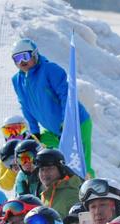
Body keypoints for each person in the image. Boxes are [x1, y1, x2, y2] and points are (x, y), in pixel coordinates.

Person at [10, 38, 93, 173]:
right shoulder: (17, 80)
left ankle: (90, 191)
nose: (21, 61)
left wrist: (66, 122)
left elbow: (66, 96)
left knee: (81, 166)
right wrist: (34, 131)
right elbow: (25, 105)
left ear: (35, 54)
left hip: (76, 124)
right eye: (17, 58)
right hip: (53, 130)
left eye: (25, 56)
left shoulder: (50, 70)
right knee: (42, 156)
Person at [33, 148, 81, 216]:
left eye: (50, 168)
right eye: (42, 169)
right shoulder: (45, 194)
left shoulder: (71, 193)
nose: (44, 173)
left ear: (60, 170)